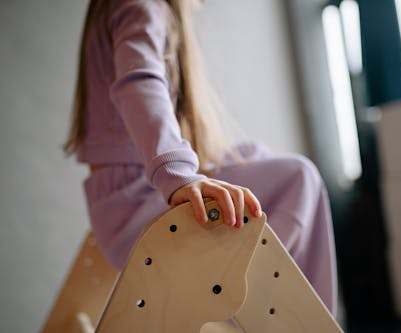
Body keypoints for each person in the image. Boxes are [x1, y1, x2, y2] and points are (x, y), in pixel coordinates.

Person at [64, 0, 338, 314]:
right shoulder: (142, 6)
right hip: (137, 207)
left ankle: (262, 294)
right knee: (300, 176)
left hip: (123, 205)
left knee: (257, 157)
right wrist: (176, 173)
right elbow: (140, 83)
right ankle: (260, 300)